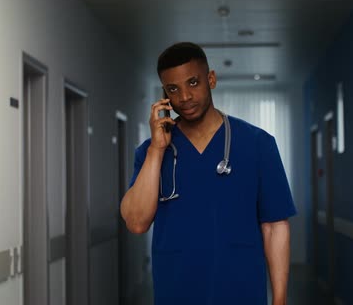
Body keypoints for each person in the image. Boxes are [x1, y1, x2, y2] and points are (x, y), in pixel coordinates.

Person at [120, 42, 296, 305]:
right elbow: (136, 223)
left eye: (193, 82)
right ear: (164, 94)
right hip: (176, 292)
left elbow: (275, 226)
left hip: (242, 292)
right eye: (173, 89)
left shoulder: (258, 144)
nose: (185, 97)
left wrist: (280, 299)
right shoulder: (150, 153)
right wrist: (157, 150)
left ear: (210, 79)